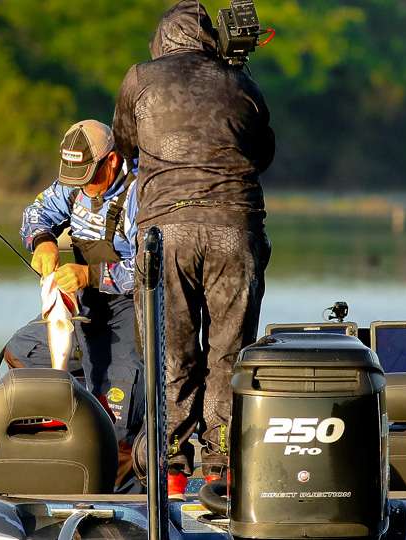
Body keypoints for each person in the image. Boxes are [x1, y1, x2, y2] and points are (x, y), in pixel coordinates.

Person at [111, 1, 276, 496]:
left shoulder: (140, 78)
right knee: (230, 352)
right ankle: (222, 468)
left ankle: (171, 470)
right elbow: (262, 152)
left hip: (167, 234)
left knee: (169, 352)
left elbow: (124, 142)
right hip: (235, 230)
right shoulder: (241, 83)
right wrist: (237, 75)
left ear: (161, 40)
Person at [4, 119, 144, 485]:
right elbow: (36, 213)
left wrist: (91, 275)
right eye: (75, 176)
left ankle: (119, 492)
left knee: (119, 426)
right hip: (84, 309)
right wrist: (43, 241)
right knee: (21, 353)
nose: (82, 184)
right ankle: (75, 412)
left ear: (111, 160)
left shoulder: (142, 192)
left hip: (131, 311)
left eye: (89, 176)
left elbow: (151, 268)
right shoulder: (74, 183)